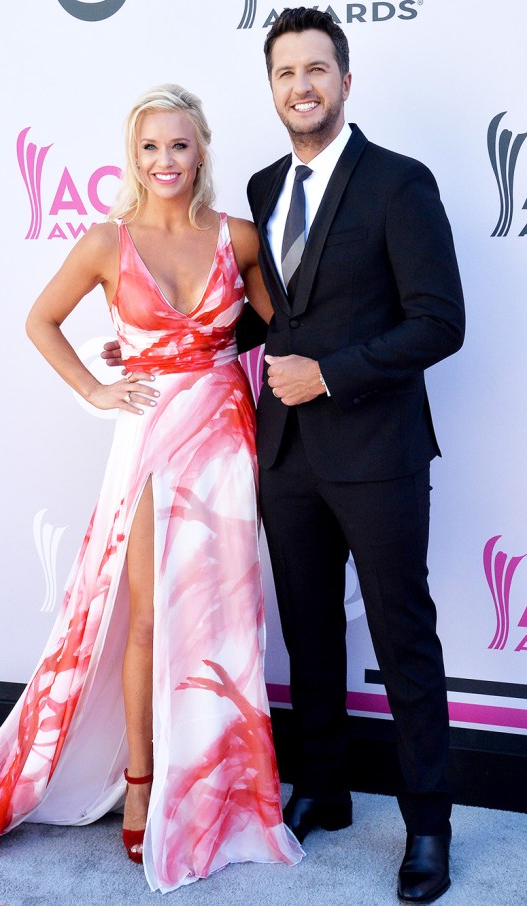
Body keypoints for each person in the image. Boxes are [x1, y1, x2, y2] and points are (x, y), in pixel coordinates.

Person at [0, 84, 303, 893]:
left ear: (201, 149)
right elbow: (41, 321)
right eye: (148, 148)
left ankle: (223, 788)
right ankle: (141, 783)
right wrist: (97, 389)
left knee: (223, 624)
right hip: (145, 441)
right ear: (130, 157)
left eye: (178, 145)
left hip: (223, 444)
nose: (164, 161)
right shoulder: (108, 241)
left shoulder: (238, 237)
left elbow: (282, 331)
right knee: (144, 621)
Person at [247, 8, 464, 905]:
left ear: (345, 79)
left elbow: (439, 323)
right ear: (272, 87)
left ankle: (427, 828)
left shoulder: (399, 184)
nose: (302, 86)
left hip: (376, 452)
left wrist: (329, 375)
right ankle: (324, 789)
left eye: (317, 69)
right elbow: (267, 313)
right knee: (307, 632)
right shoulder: (261, 187)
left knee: (403, 637)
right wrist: (159, 344)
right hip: (286, 455)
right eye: (286, 71)